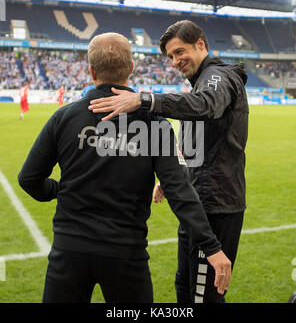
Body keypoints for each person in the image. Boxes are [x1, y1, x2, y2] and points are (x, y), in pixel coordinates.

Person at [18, 32, 231, 303]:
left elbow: (29, 179)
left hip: (69, 251)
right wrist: (211, 246)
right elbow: (179, 192)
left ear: (91, 70)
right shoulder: (156, 125)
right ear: (131, 68)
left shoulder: (65, 117)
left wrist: (60, 189)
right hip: (126, 255)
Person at [88, 20, 249, 303]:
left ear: (200, 44)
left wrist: (144, 100)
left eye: (179, 52)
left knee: (204, 296)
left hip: (217, 206)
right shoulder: (200, 82)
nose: (175, 61)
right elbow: (202, 135)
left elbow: (206, 105)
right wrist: (177, 174)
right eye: (171, 56)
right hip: (197, 204)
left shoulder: (218, 76)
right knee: (185, 289)